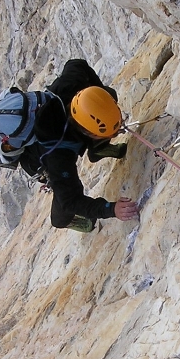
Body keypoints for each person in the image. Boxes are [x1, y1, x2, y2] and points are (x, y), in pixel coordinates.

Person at [24, 59, 140, 233]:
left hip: (68, 122)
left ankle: (98, 149)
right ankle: (63, 221)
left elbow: (77, 63)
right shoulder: (58, 156)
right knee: (65, 197)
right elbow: (70, 200)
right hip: (38, 156)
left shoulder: (71, 85)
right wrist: (110, 208)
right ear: (88, 133)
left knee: (109, 94)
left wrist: (98, 92)